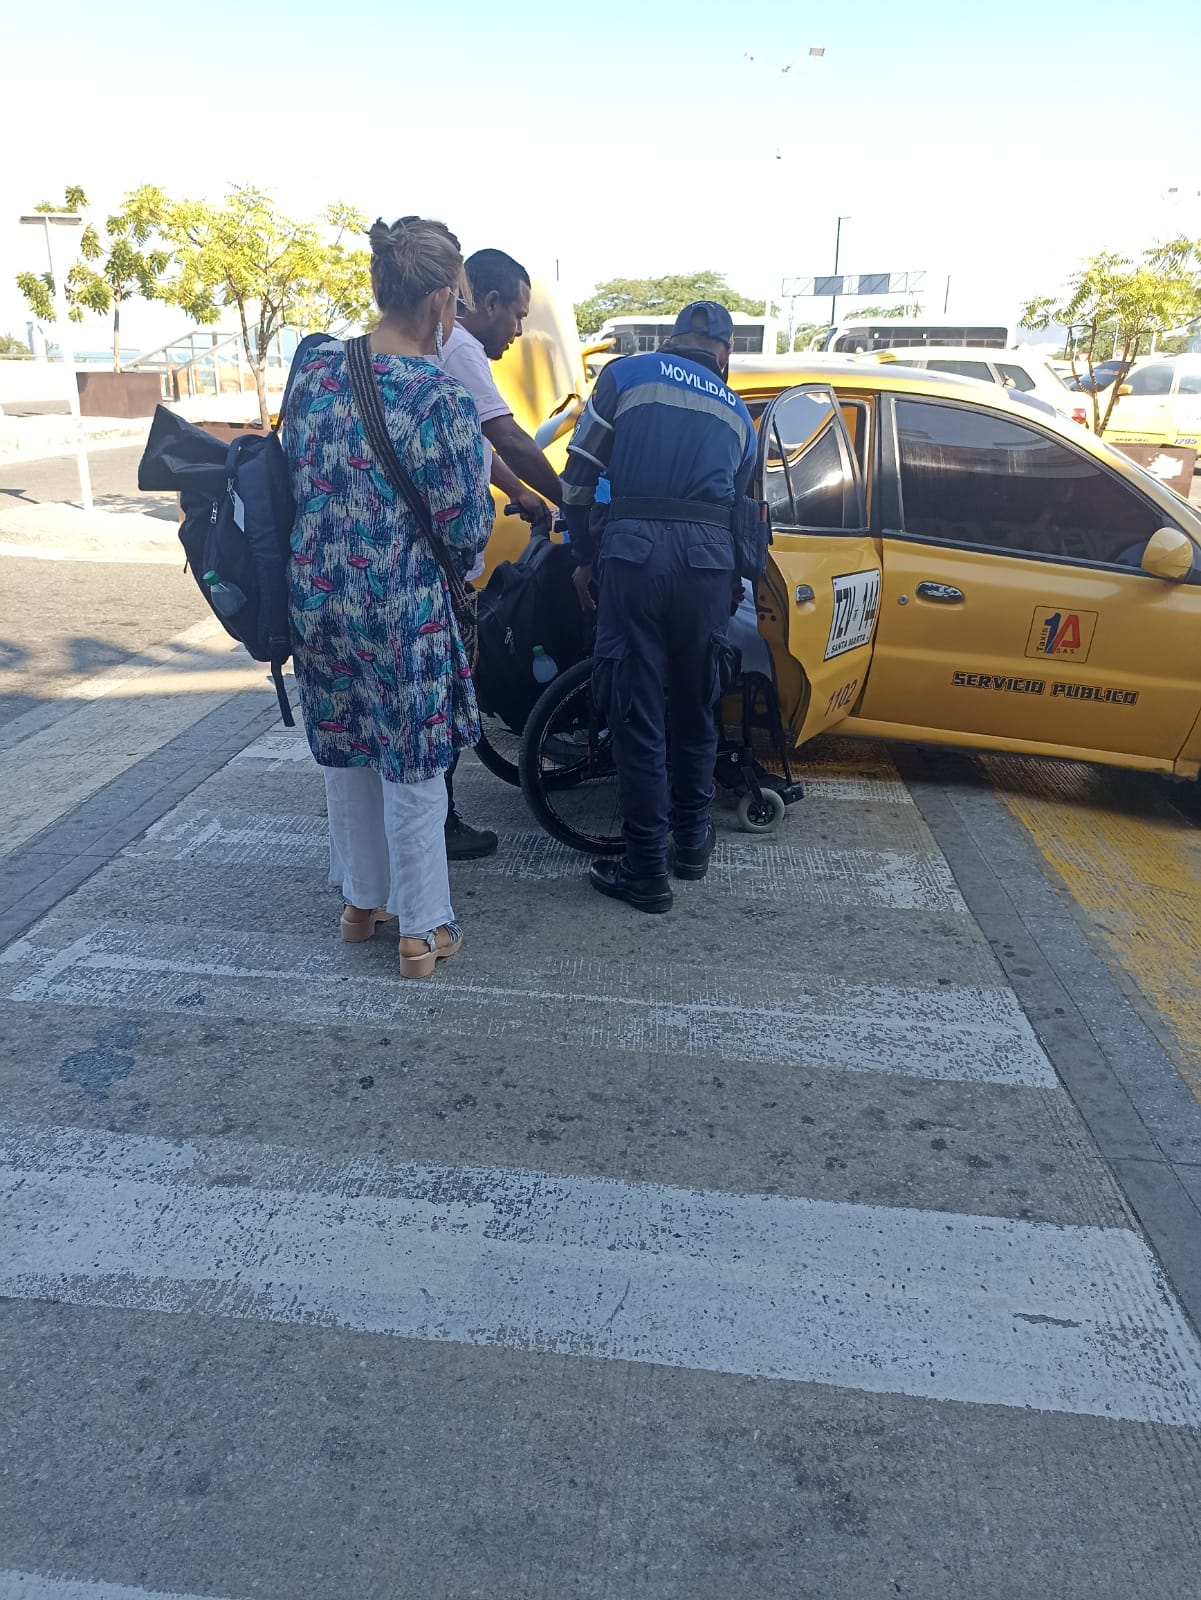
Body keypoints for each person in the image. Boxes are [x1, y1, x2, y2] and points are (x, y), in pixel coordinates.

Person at [284, 216, 492, 978]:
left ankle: (359, 905)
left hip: (315, 601)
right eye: (459, 301)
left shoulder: (314, 367)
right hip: (399, 610)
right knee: (412, 764)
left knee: (346, 754)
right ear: (438, 299)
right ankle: (421, 930)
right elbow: (467, 528)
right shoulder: (439, 398)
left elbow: (294, 471)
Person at [562, 301, 756, 914]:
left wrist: (585, 552)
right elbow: (747, 514)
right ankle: (692, 844)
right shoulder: (739, 415)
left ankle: (646, 870)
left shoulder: (624, 375)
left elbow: (577, 477)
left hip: (634, 556)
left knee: (637, 710)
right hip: (708, 564)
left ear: (672, 340)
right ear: (723, 354)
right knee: (697, 700)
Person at [436, 246, 565, 860]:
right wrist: (571, 497)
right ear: (485, 304)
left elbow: (474, 440)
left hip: (441, 551)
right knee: (448, 686)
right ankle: (440, 820)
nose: (518, 331)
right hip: (441, 561)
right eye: (515, 315)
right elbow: (504, 433)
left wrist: (518, 491)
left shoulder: (449, 350)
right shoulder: (460, 348)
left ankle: (437, 815)